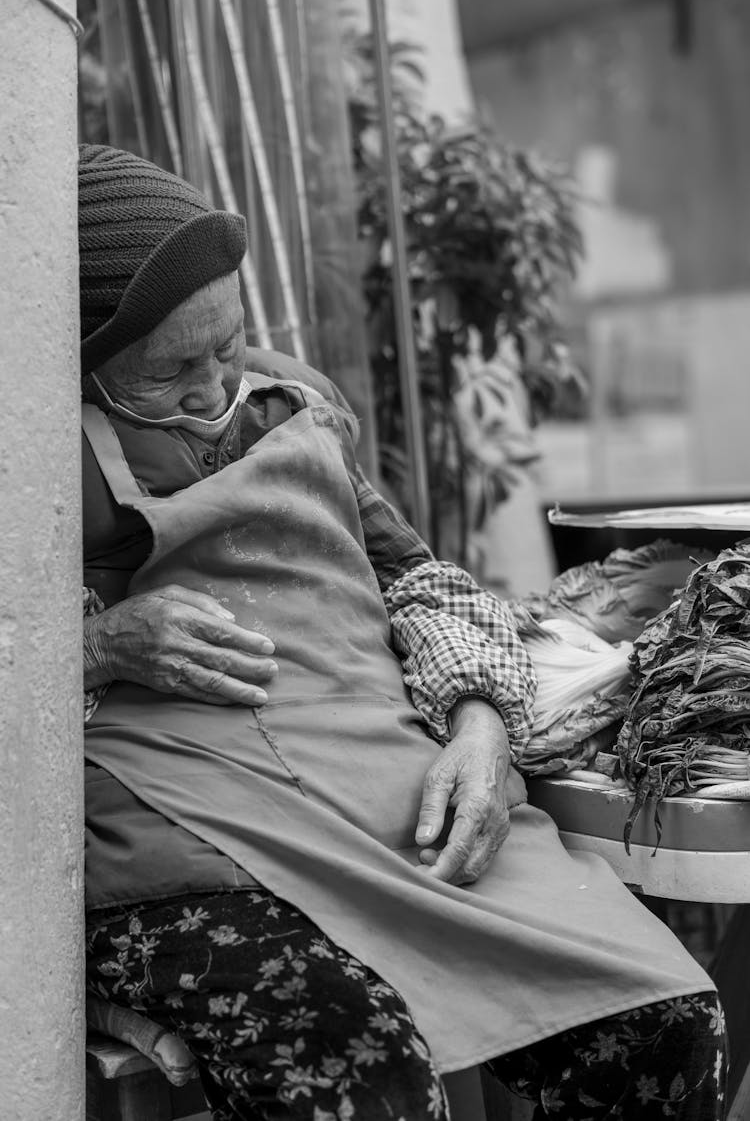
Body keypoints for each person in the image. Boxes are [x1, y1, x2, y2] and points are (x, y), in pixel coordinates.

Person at [80, 144, 725, 1121]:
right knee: (356, 1078)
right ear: (81, 358)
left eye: (230, 347)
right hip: (195, 852)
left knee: (665, 1025)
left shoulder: (292, 400)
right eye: (172, 373)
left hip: (392, 804)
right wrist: (98, 641)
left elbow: (417, 576)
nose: (216, 392)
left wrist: (477, 723)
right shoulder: (38, 454)